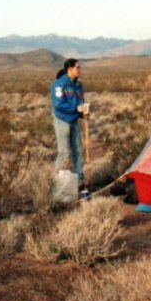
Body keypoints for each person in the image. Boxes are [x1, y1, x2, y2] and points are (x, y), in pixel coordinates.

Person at [51, 58, 90, 199]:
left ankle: (80, 183)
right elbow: (59, 104)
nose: (80, 70)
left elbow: (81, 101)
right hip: (62, 119)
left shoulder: (79, 85)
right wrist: (76, 108)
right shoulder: (59, 85)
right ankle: (56, 184)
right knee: (64, 152)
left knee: (78, 151)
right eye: (77, 67)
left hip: (74, 119)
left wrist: (83, 111)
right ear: (70, 69)